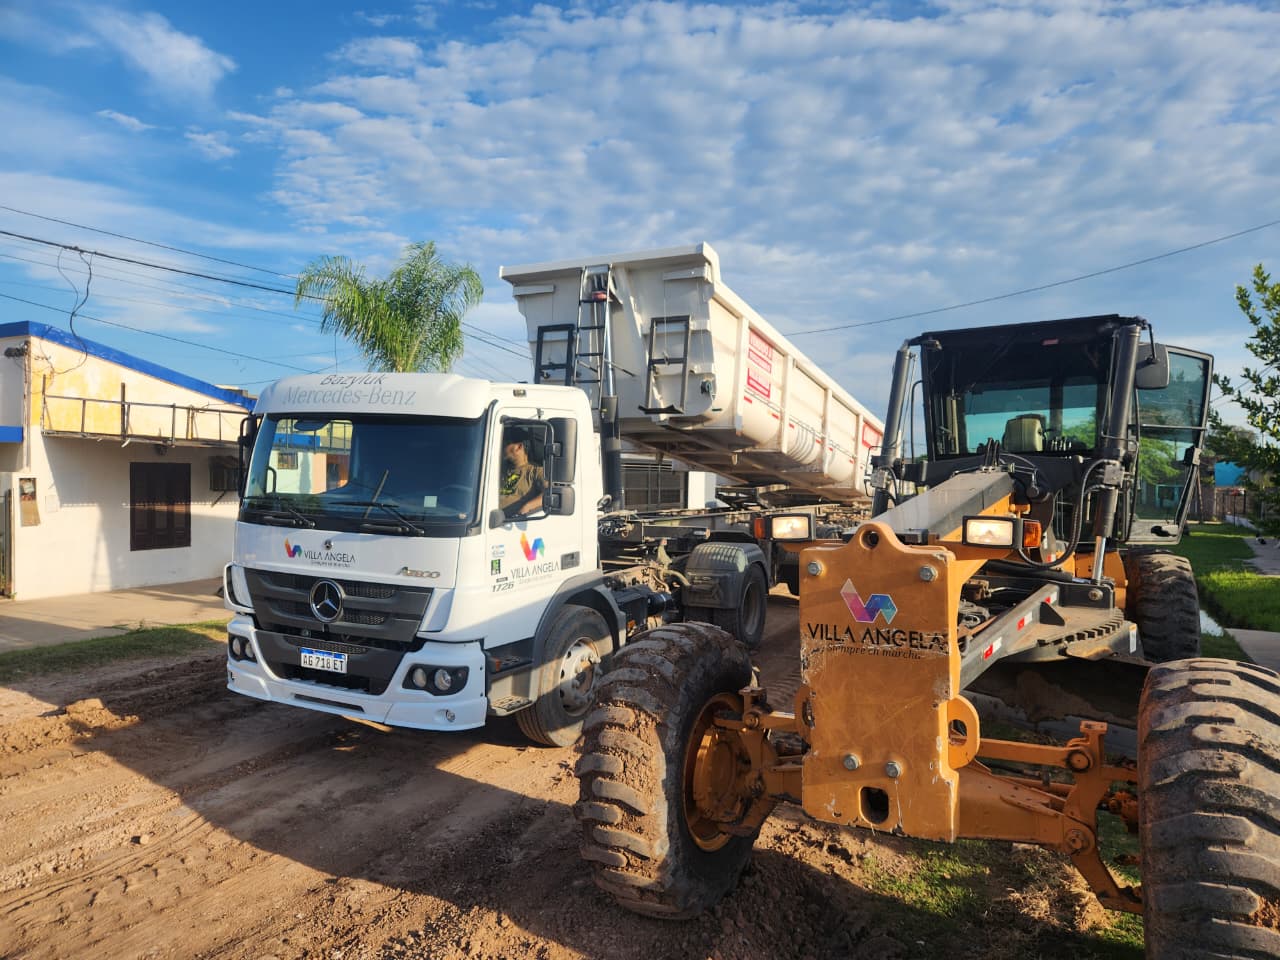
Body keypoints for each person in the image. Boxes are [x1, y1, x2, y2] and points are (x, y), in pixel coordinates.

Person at [499, 427, 545, 517]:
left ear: (519, 447)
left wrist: (528, 507)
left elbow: (551, 493)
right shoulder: (499, 469)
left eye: (506, 443)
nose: (502, 446)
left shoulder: (535, 471)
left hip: (509, 526)